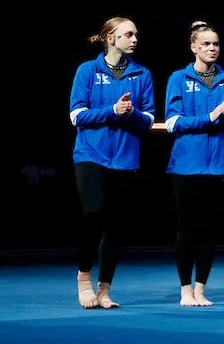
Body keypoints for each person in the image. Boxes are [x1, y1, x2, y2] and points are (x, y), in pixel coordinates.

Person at [69, 17, 156, 308]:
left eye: (136, 34)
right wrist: (112, 110)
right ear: (110, 38)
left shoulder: (142, 74)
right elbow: (76, 115)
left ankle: (104, 289)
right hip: (90, 155)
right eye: (128, 34)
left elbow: (147, 120)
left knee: (115, 226)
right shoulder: (87, 70)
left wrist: (130, 113)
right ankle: (84, 280)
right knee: (93, 213)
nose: (134, 39)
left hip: (125, 158)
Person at [165, 21, 224, 306]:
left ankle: (201, 288)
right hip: (186, 166)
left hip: (219, 166)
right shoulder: (178, 78)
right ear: (193, 47)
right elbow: (173, 122)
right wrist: (210, 117)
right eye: (207, 44)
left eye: (216, 44)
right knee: (187, 228)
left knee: (210, 229)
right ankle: (185, 289)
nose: (212, 48)